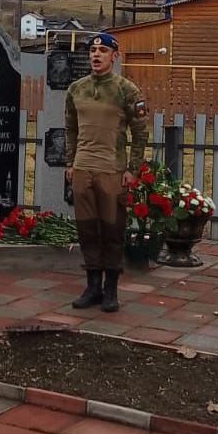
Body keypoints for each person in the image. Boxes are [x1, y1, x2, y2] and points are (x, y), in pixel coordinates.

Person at [63, 32, 150, 314]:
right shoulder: (76, 89)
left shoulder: (127, 90)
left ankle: (111, 288)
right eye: (92, 51)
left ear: (115, 56)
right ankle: (92, 286)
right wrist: (70, 162)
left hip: (112, 170)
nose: (96, 55)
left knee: (112, 230)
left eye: (102, 51)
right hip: (83, 168)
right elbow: (71, 130)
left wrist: (133, 169)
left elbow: (140, 133)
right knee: (87, 229)